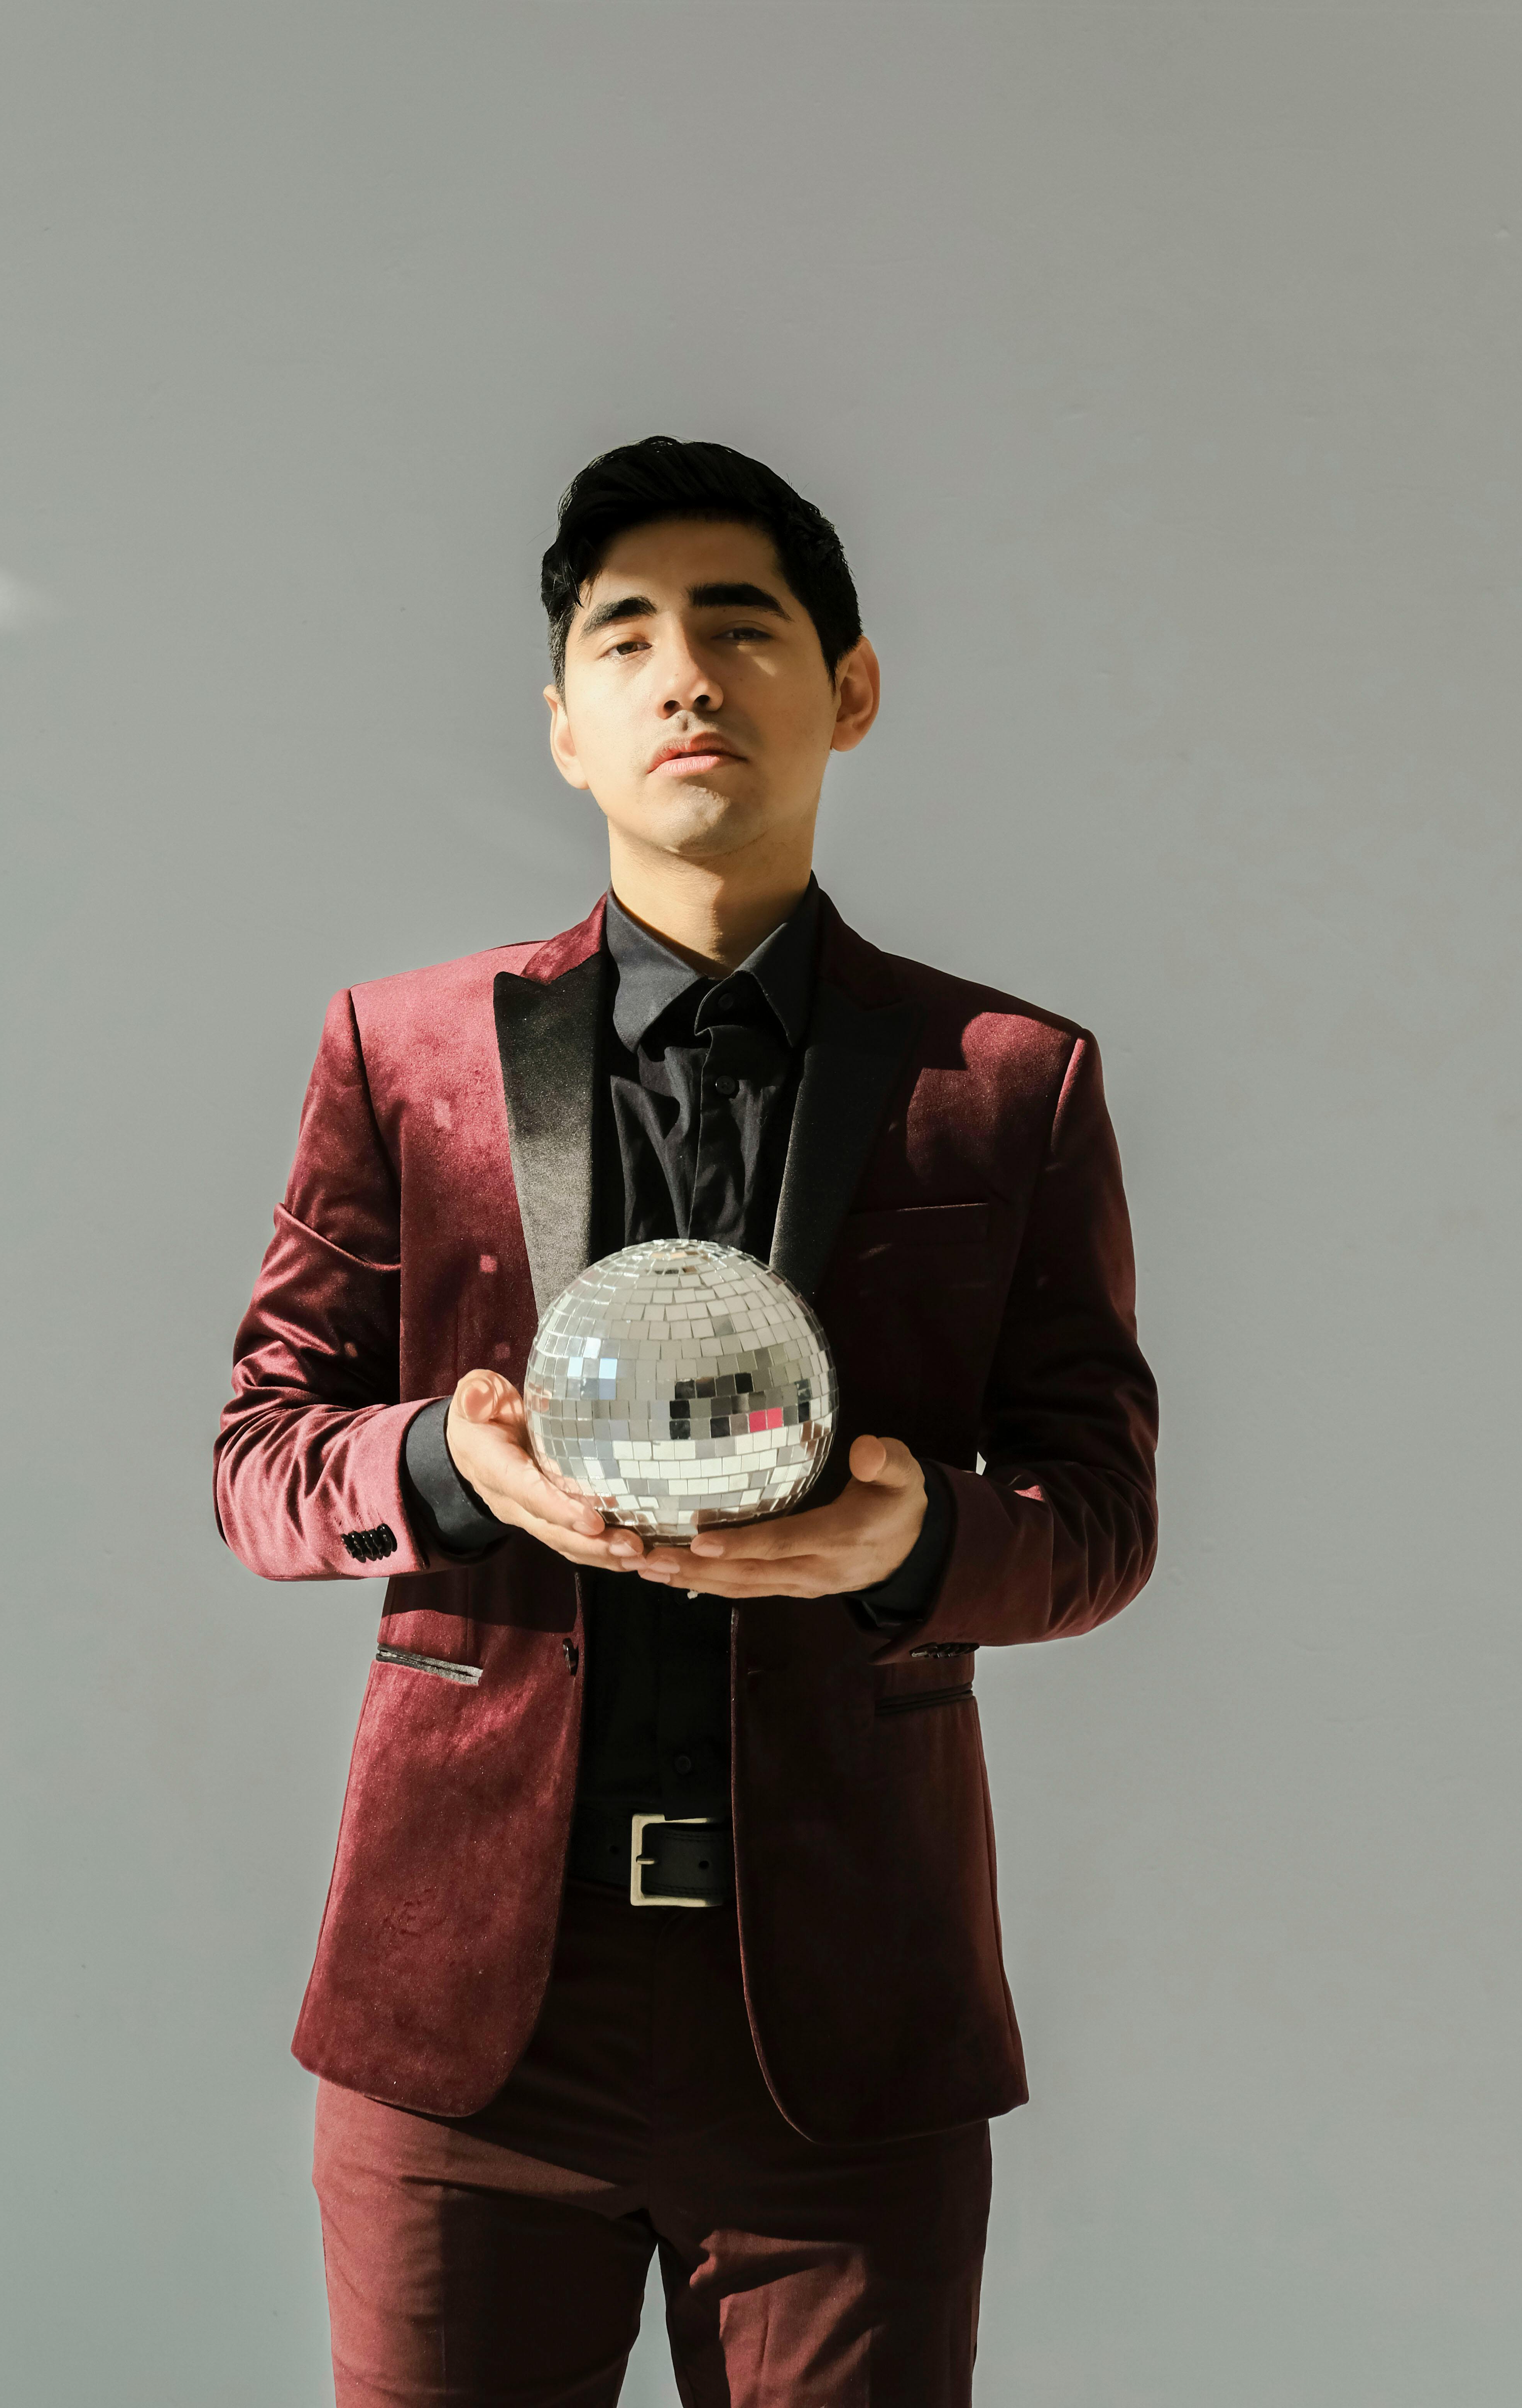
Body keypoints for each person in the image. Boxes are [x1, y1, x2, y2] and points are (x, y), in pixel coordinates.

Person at [215, 436, 1158, 2405]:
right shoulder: (407, 1054)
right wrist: (437, 1471)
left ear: (852, 686)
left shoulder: (1005, 1084)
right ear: (563, 722)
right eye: (624, 637)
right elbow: (260, 1457)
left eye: (741, 626)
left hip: (843, 2032)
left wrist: (906, 1537)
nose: (687, 675)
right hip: (464, 2030)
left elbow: (1095, 1516)